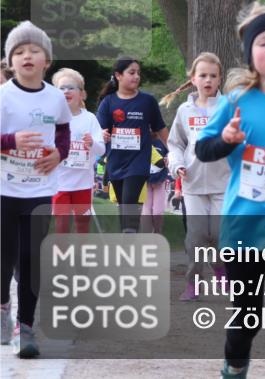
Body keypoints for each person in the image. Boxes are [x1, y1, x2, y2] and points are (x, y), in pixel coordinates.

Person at [195, 3, 265, 379]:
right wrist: (226, 139)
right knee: (247, 314)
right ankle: (235, 365)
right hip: (246, 229)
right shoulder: (236, 101)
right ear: (250, 56)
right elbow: (203, 150)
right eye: (264, 41)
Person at [0, 21, 72, 358]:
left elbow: (63, 133)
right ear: (10, 62)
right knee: (4, 260)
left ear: (47, 60)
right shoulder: (3, 97)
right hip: (4, 190)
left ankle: (25, 327)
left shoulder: (56, 97)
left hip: (40, 190)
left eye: (34, 50)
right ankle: (3, 310)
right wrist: (11, 141)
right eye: (19, 51)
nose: (26, 55)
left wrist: (60, 153)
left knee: (31, 261)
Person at [163, 52, 230, 301]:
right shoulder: (184, 110)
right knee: (196, 237)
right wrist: (177, 165)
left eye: (213, 75)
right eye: (203, 75)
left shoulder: (229, 107)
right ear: (193, 79)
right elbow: (175, 144)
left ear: (220, 79)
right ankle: (193, 284)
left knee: (222, 235)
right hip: (192, 185)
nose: (208, 80)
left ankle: (221, 267)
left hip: (223, 183)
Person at [96, 57, 168, 233]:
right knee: (124, 207)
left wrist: (173, 152)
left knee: (129, 201)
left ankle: (129, 241)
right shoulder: (108, 102)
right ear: (118, 75)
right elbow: (99, 130)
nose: (136, 76)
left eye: (138, 73)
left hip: (138, 162)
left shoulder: (147, 101)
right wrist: (102, 135)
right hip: (115, 162)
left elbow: (160, 128)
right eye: (131, 72)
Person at [52, 67, 105, 234]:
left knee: (82, 224)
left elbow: (101, 149)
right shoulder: (52, 118)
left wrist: (92, 144)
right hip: (59, 182)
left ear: (82, 94)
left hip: (83, 183)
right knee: (62, 224)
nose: (66, 91)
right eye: (61, 88)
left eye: (71, 87)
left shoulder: (89, 119)